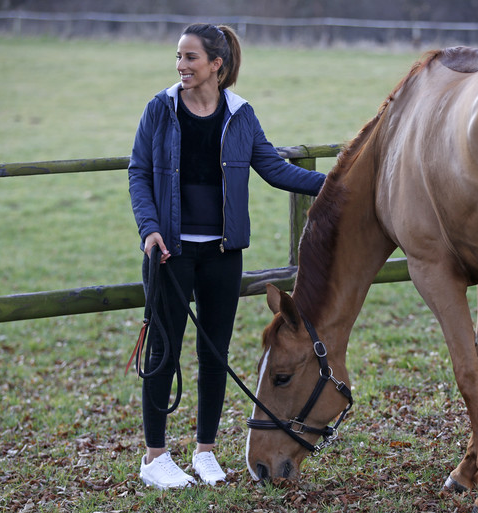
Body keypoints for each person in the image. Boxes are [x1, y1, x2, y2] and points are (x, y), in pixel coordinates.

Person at [127, 23, 326, 489]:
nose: (181, 66)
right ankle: (155, 458)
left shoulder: (239, 114)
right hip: (169, 254)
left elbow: (274, 169)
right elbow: (138, 172)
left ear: (217, 64)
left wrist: (337, 186)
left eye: (190, 58)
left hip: (222, 254)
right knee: (163, 353)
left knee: (214, 354)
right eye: (178, 57)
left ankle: (206, 452)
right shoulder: (160, 109)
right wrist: (150, 230)